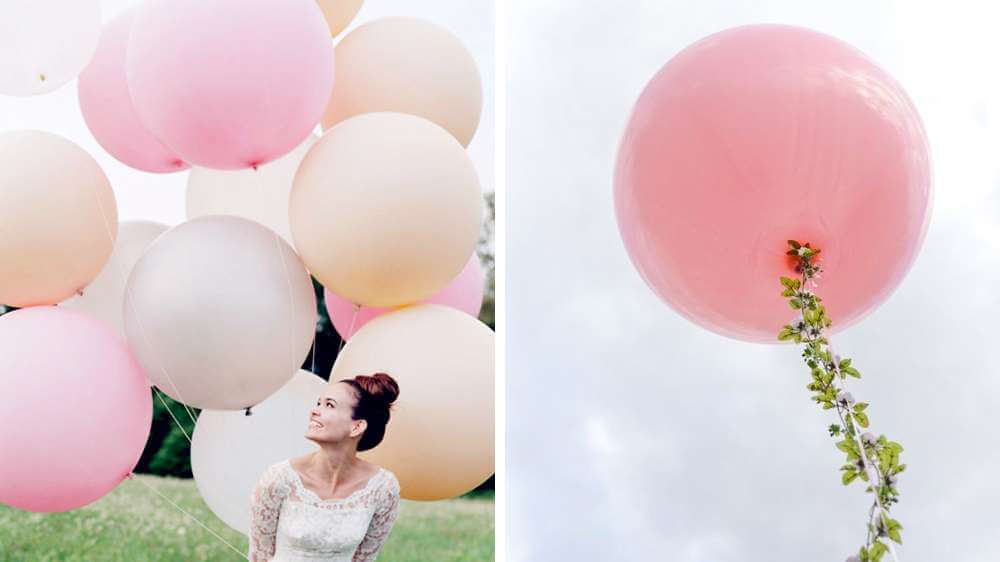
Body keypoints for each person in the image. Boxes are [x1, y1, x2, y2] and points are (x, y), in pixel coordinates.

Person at [248, 373, 401, 562]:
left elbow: (364, 559)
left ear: (357, 427)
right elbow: (260, 556)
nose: (314, 411)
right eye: (318, 403)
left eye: (329, 405)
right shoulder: (278, 478)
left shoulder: (383, 487)